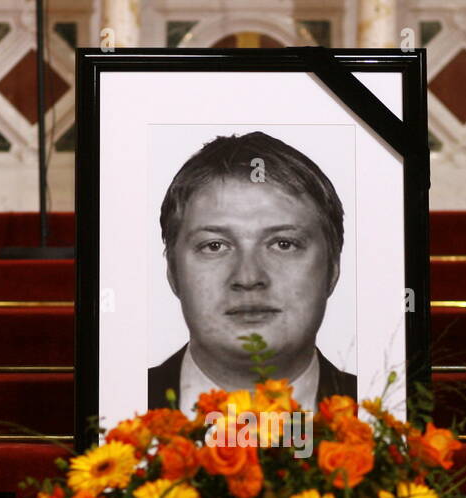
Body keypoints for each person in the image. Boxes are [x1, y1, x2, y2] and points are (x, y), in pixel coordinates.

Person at [148, 131, 356, 412]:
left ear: (333, 268)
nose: (248, 278)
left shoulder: (381, 408)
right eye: (215, 246)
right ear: (172, 271)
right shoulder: (119, 406)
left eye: (284, 244)